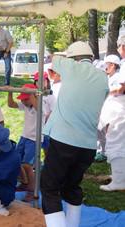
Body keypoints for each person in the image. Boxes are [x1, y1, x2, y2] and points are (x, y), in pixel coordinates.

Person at [41, 41, 108, 227]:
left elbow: (54, 58)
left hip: (64, 141)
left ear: (74, 58)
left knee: (49, 187)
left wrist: (65, 56)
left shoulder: (71, 66)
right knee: (72, 187)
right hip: (87, 146)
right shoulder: (103, 78)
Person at [8, 83, 50, 202]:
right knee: (16, 160)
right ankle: (25, 183)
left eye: (26, 99)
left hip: (34, 139)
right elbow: (11, 105)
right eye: (23, 99)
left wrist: (32, 94)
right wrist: (10, 91)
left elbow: (39, 109)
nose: (24, 102)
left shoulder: (40, 105)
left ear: (33, 97)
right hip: (25, 137)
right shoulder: (27, 105)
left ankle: (32, 190)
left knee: (27, 165)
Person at [98, 54, 125, 191]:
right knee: (116, 144)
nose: (104, 67)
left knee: (115, 144)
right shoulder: (112, 77)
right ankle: (119, 176)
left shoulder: (119, 74)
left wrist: (107, 92)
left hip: (119, 113)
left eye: (106, 64)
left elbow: (121, 89)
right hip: (116, 112)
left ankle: (119, 181)